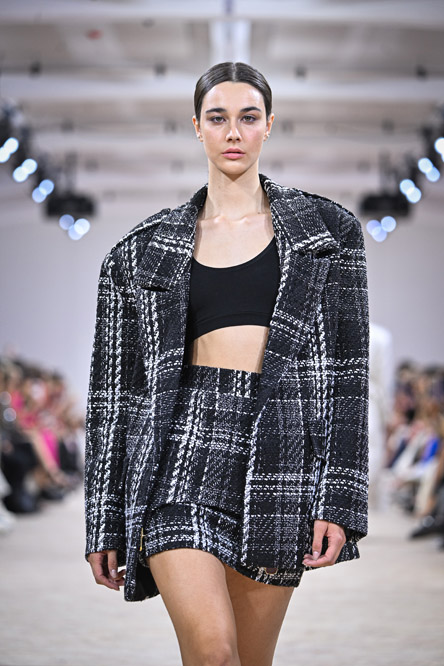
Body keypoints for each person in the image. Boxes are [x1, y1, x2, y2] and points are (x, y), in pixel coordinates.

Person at [84, 61, 370, 666]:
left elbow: (349, 379)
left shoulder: (328, 233)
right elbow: (113, 397)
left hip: (280, 451)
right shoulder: (138, 252)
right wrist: (102, 519)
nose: (233, 132)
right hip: (181, 447)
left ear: (269, 125)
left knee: (249, 659)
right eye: (217, 118)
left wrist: (339, 501)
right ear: (197, 126)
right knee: (213, 651)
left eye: (248, 117)